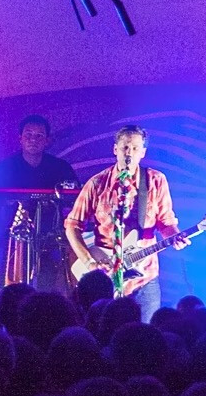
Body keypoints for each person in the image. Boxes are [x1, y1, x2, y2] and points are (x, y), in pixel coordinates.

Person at [64, 125, 187, 319]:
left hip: (144, 277)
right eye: (125, 147)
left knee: (144, 332)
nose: (129, 153)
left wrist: (174, 235)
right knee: (104, 330)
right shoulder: (97, 183)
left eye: (135, 148)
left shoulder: (156, 181)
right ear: (115, 149)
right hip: (105, 276)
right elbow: (72, 225)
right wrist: (89, 262)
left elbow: (166, 222)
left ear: (143, 153)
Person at [0, 115, 79, 293]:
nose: (33, 140)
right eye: (28, 135)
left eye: (39, 136)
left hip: (50, 235)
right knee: (8, 280)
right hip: (11, 235)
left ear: (47, 141)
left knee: (48, 281)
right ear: (20, 139)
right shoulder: (6, 167)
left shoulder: (60, 167)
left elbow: (73, 195)